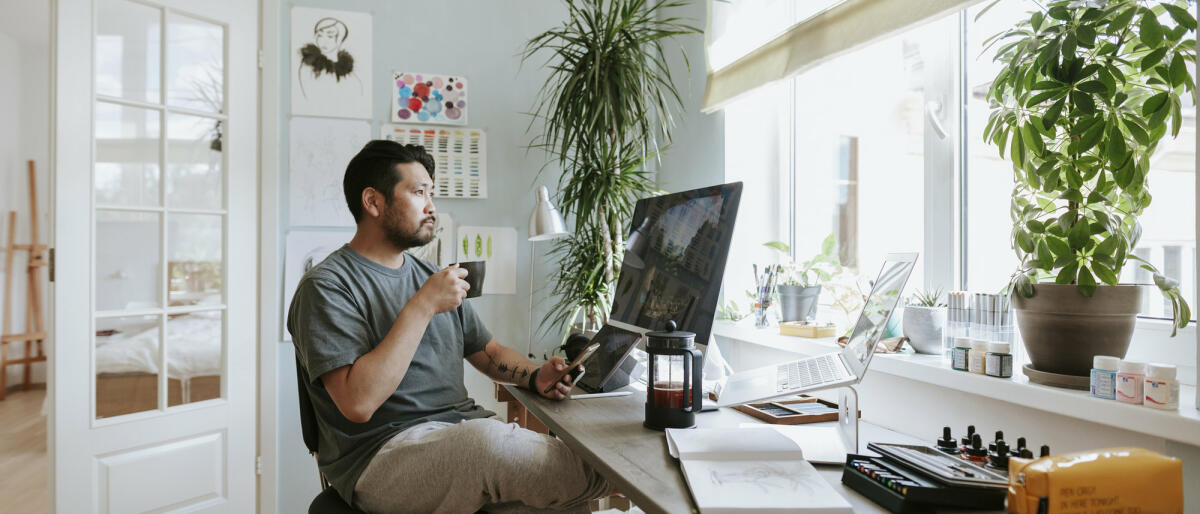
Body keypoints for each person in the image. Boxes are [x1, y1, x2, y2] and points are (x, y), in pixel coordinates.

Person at [288, 140, 610, 513]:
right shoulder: (327, 286)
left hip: (457, 435)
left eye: (432, 193)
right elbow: (358, 403)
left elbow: (488, 353)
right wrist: (423, 305)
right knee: (488, 446)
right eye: (418, 192)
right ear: (373, 202)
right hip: (381, 456)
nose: (431, 206)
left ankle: (607, 475)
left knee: (556, 506)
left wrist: (536, 374)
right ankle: (621, 475)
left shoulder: (430, 275)